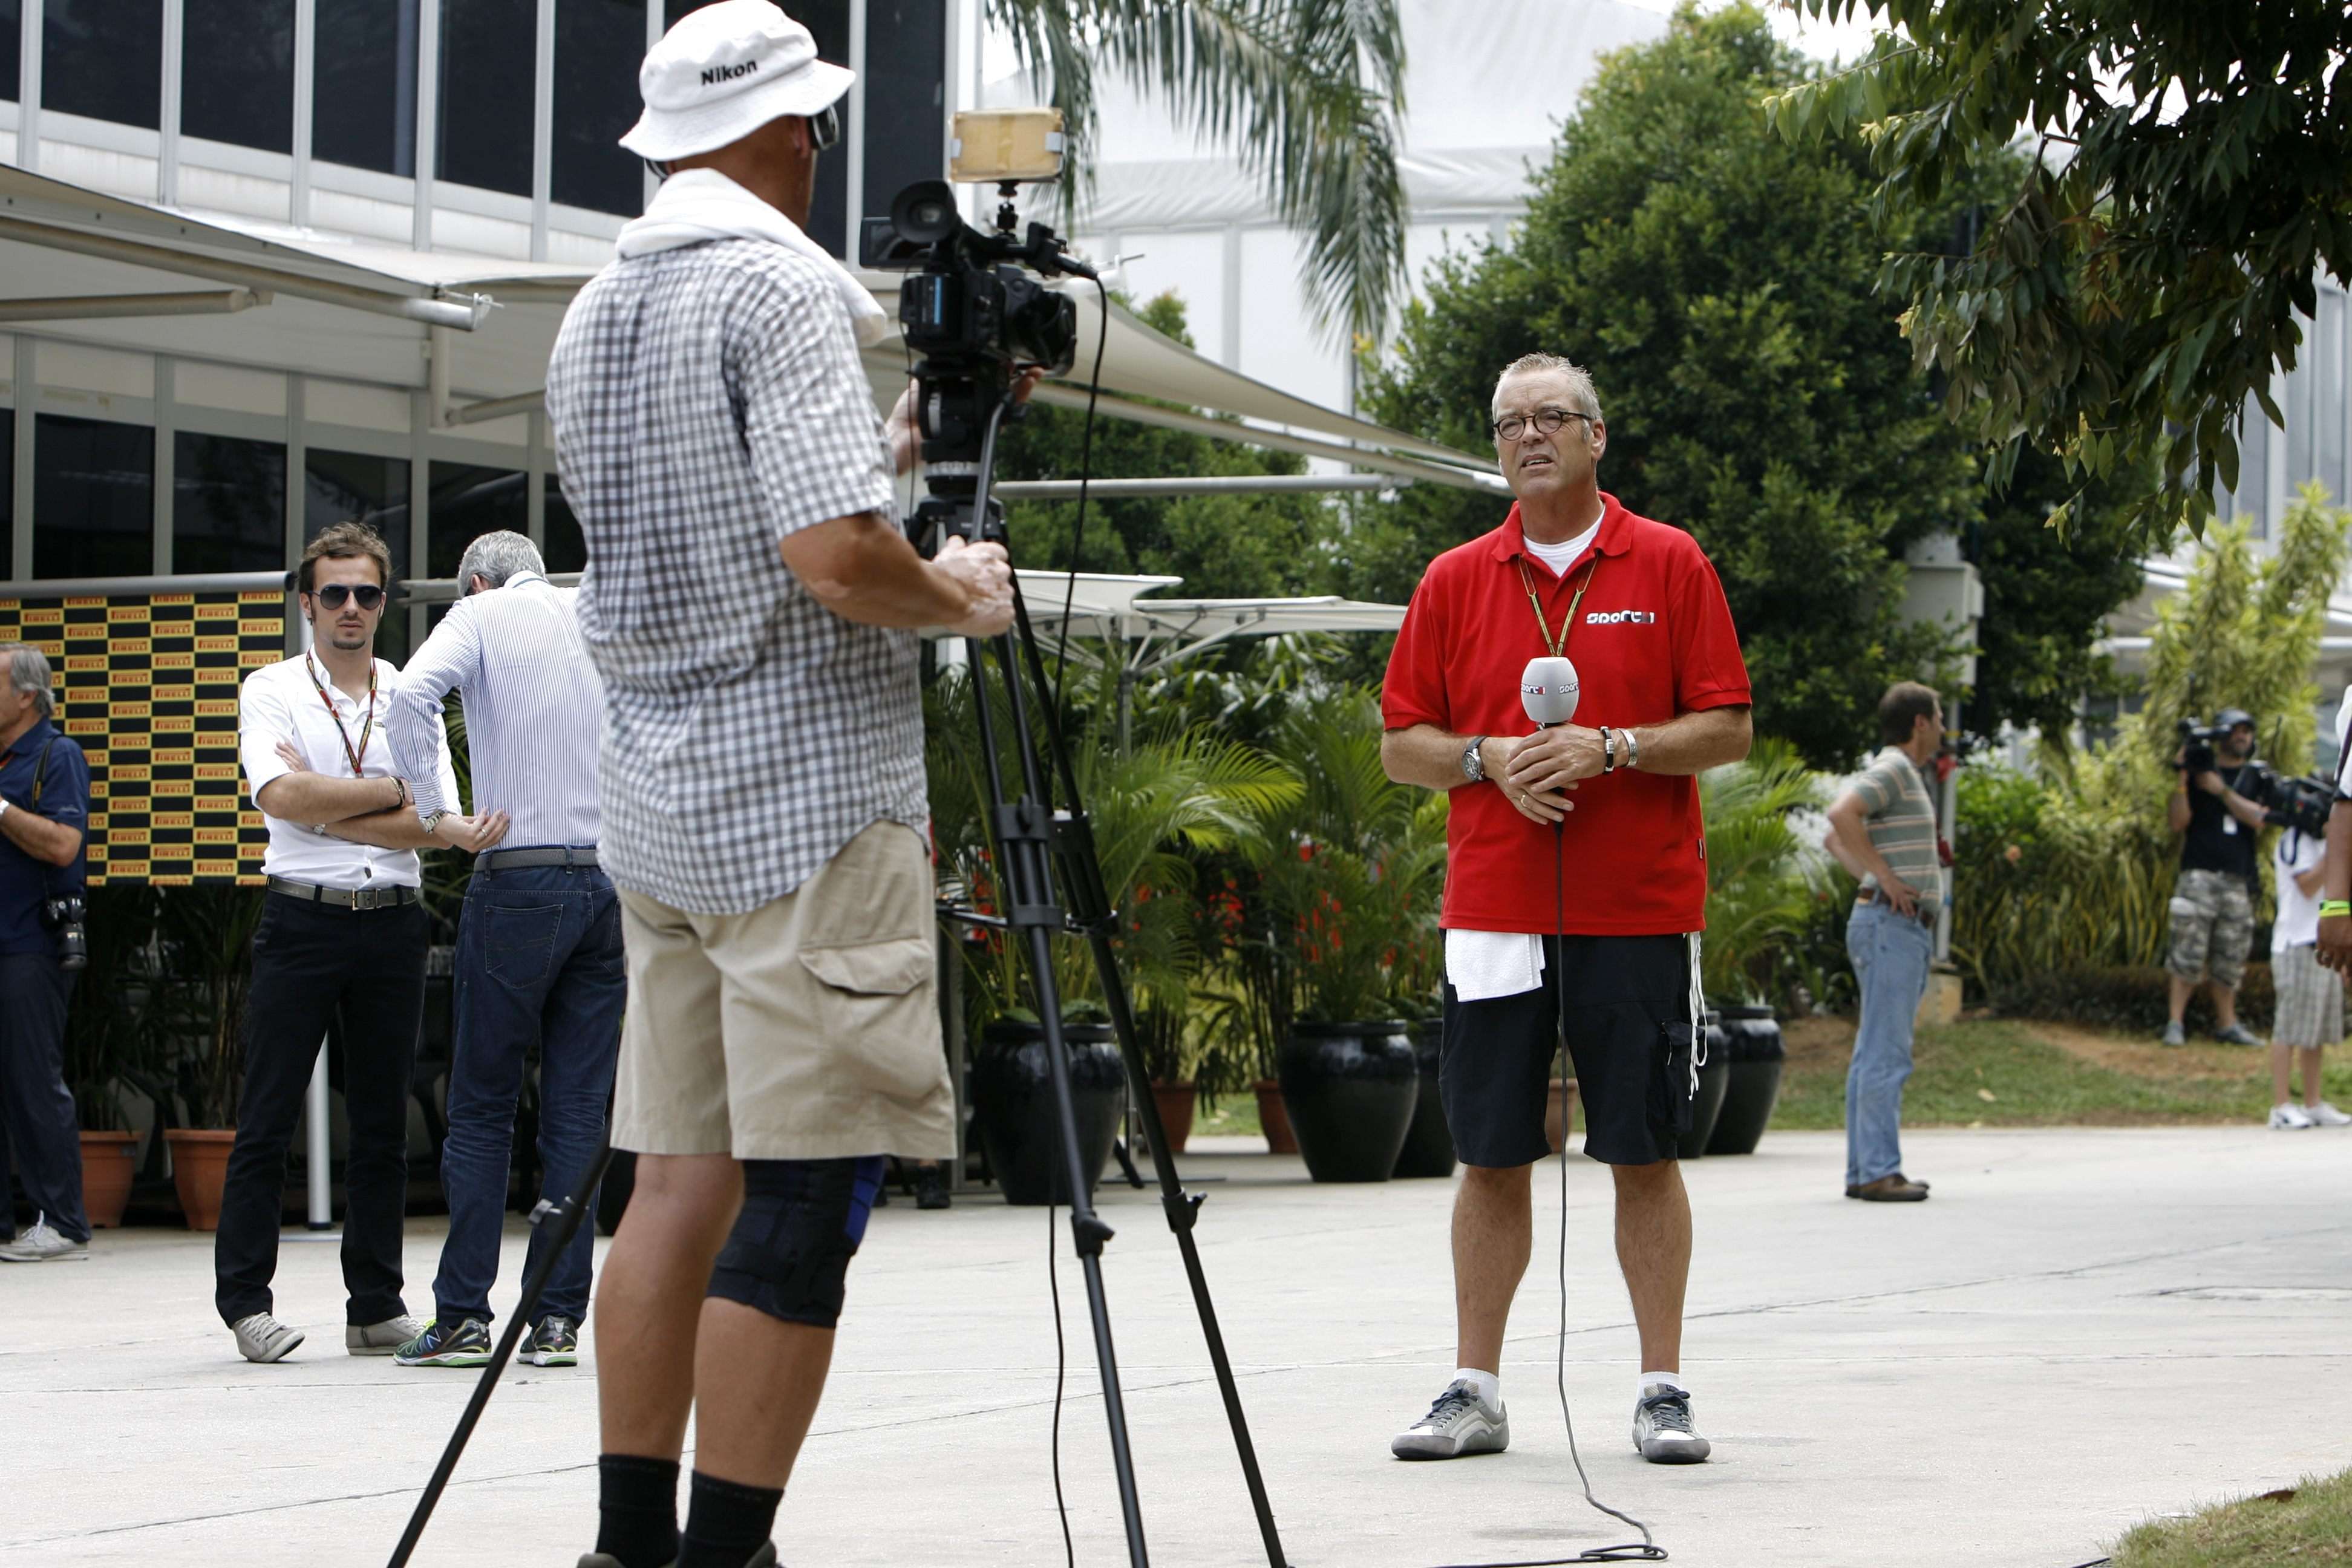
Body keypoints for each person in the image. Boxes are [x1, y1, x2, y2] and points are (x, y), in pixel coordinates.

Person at [543, 6, 1015, 1566]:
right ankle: (728, 1551)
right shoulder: (781, 287)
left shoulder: (596, 306)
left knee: (673, 1181)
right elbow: (829, 564)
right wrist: (961, 592)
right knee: (806, 1198)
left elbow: (750, 529)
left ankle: (631, 1544)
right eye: (811, 126)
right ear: (779, 133)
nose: (819, 152)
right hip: (808, 803)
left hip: (662, 800)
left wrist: (878, 470)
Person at [1378, 351, 1751, 1468]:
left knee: (1639, 1147)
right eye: (1508, 423)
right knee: (1489, 1150)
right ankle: (1473, 1386)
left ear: (1596, 436)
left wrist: (1615, 745)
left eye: (1550, 417)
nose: (1527, 436)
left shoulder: (1670, 561)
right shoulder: (1453, 579)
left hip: (1634, 909)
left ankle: (1661, 1388)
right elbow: (1404, 745)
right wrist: (1490, 758)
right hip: (1494, 911)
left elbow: (1726, 725)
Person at [217, 521, 509, 1365]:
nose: (351, 607)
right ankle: (246, 1303)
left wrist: (332, 803)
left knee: (382, 1122)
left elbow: (436, 818)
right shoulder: (272, 687)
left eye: (367, 594)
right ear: (307, 602)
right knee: (267, 1115)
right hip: (301, 918)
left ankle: (375, 1302)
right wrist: (385, 791)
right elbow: (278, 797)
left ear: (383, 602)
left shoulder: (411, 689)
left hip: (390, 918)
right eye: (335, 593)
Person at [381, 531, 623, 1370]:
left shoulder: (480, 615)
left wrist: (439, 813)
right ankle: (557, 1321)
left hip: (518, 876)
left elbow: (410, 695)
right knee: (578, 1112)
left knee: (481, 1104)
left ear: (476, 582)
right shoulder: (595, 608)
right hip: (609, 880)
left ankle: (463, 1318)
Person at [1820, 682, 1944, 1202]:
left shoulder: (1900, 772)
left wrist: (1874, 877)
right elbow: (1839, 817)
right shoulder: (1895, 767)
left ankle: (1866, 1169)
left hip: (1890, 926)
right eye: (1938, 718)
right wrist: (1886, 880)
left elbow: (1834, 840)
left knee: (1875, 1051)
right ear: (1920, 722)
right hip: (1893, 928)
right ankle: (1877, 1172)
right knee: (1886, 1053)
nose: (1942, 728)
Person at [0, 641, 93, 1263]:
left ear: (26, 695)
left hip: (29, 943)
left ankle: (63, 1220)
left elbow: (63, 845)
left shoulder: (56, 757)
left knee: (34, 1082)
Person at [2163, 708, 2269, 1048]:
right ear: (2221, 735)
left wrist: (2220, 791)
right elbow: (2178, 823)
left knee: (2231, 955)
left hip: (2237, 878)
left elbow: (2260, 819)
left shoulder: (2256, 777)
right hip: (2198, 875)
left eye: (2247, 732)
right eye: (2235, 731)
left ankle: (2227, 1024)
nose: (2241, 737)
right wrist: (2183, 777)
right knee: (2187, 950)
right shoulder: (2197, 772)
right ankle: (2175, 1023)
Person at [2264, 795, 2352, 1129]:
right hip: (2294, 942)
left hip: (2322, 944)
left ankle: (2313, 1103)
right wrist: (2338, 845)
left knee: (2315, 1029)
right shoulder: (2295, 840)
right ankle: (2281, 1104)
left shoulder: (2319, 841)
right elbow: (2307, 885)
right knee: (2288, 1026)